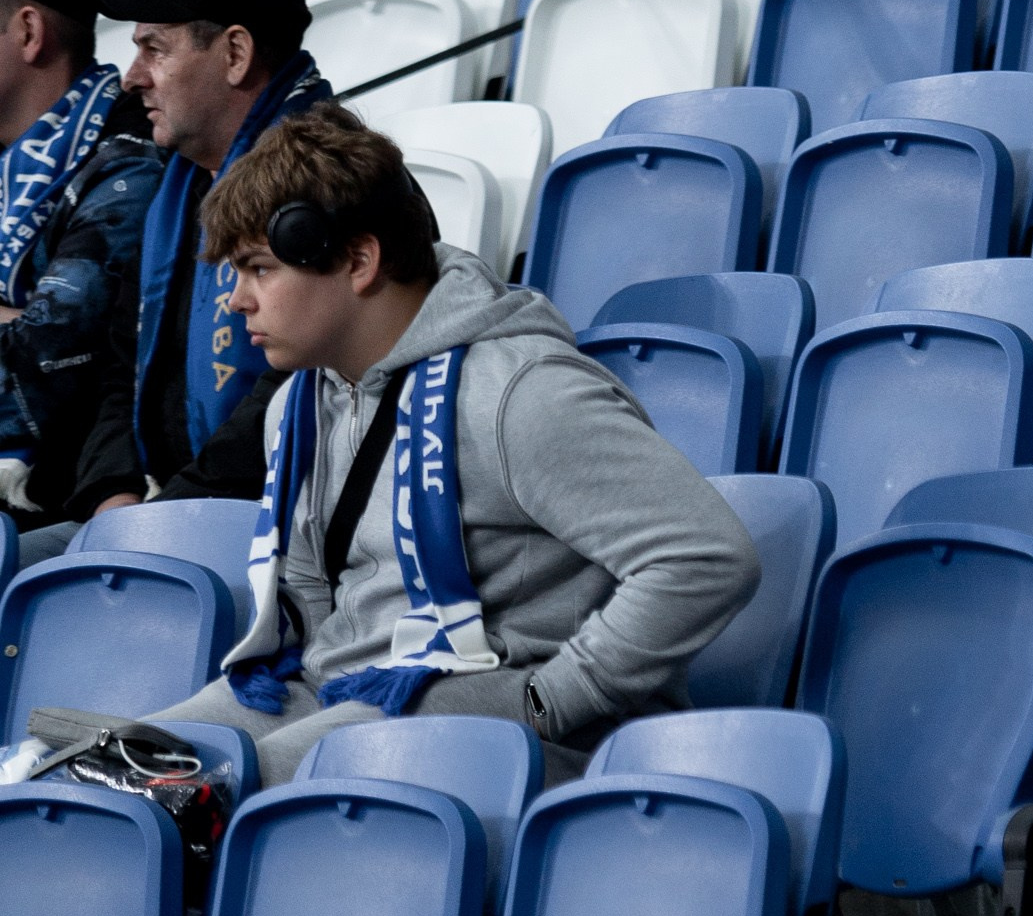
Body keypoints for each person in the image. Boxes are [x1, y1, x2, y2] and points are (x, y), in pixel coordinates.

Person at [127, 107, 758, 787]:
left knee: (225, 796)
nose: (236, 302)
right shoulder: (299, 404)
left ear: (359, 261)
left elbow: (705, 556)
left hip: (522, 732)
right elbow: (311, 617)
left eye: (257, 269)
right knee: (128, 774)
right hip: (347, 698)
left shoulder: (519, 394)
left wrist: (556, 698)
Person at [52, 0, 330, 546]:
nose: (132, 79)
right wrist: (113, 494)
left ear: (235, 53)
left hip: (268, 528)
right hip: (155, 511)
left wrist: (164, 517)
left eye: (155, 48)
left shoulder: (329, 183)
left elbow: (304, 392)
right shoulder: (174, 186)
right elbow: (121, 363)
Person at [0, 0, 162, 535]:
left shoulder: (130, 156)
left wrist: (24, 326)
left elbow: (45, 362)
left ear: (29, 31)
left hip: (57, 501)